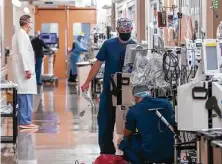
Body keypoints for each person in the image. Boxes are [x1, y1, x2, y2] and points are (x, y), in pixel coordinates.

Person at [81, 18, 136, 154]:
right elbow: (98, 64)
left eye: (128, 31)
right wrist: (87, 81)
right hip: (109, 90)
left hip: (128, 91)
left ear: (131, 30)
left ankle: (128, 152)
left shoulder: (135, 47)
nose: (125, 33)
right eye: (123, 31)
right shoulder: (108, 45)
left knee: (128, 122)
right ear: (117, 30)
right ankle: (106, 153)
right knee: (105, 122)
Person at [118, 85, 175, 164]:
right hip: (171, 151)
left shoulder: (134, 110)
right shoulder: (167, 103)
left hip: (150, 154)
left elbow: (127, 133)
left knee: (125, 142)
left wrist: (120, 140)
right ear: (150, 93)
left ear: (135, 97)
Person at [11, 15, 38, 129]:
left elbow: (25, 52)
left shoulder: (18, 34)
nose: (31, 25)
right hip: (24, 71)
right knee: (26, 95)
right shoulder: (22, 35)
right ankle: (25, 122)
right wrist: (27, 69)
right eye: (30, 22)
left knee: (24, 95)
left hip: (22, 69)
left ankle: (23, 121)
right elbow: (22, 52)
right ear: (27, 23)